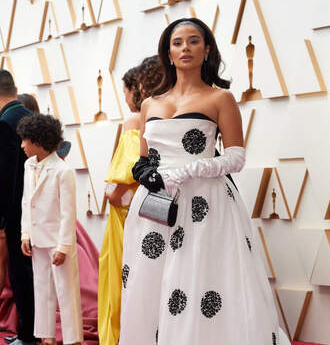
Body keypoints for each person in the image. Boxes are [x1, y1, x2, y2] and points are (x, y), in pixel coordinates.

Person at [118, 18, 290, 345]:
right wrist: (144, 174)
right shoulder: (150, 104)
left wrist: (192, 169)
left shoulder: (220, 99)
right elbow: (142, 159)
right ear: (168, 52)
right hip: (155, 207)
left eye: (193, 41)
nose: (185, 48)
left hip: (205, 206)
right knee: (149, 284)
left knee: (198, 279)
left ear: (207, 49)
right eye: (178, 42)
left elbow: (236, 158)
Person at [98, 59, 163, 345]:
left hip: (128, 208)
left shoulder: (134, 120)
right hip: (156, 206)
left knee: (119, 277)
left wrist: (112, 195)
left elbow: (127, 171)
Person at [17, 114, 83, 345]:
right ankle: (46, 337)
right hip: (37, 239)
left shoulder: (63, 171)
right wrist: (25, 233)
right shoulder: (28, 165)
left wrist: (64, 246)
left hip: (58, 242)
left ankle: (73, 338)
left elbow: (68, 213)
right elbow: (26, 201)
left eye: (26, 140)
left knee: (66, 292)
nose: (22, 145)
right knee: (42, 289)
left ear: (39, 140)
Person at [0, 70, 36, 345]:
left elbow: (6, 175)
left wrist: (3, 217)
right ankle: (31, 332)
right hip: (37, 207)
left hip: (16, 210)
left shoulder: (4, 122)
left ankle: (26, 335)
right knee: (32, 274)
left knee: (20, 273)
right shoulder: (31, 116)